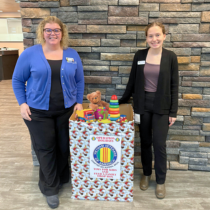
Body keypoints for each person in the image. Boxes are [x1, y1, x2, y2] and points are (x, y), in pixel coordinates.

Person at [12, 16, 84, 208]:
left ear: (62, 33)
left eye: (56, 30)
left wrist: (78, 102)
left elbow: (79, 80)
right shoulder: (30, 54)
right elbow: (18, 80)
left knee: (62, 147)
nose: (52, 33)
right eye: (48, 30)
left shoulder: (72, 54)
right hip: (37, 112)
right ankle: (50, 188)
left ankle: (60, 178)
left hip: (66, 110)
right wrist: (22, 103)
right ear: (42, 32)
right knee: (45, 149)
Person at [119, 22, 178, 199]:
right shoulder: (139, 55)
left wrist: (173, 112)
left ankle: (160, 181)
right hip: (142, 106)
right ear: (146, 38)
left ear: (164, 36)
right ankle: (146, 174)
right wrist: (118, 102)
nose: (154, 39)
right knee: (145, 142)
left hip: (162, 107)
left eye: (157, 35)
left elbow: (174, 86)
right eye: (151, 36)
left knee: (159, 145)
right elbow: (132, 82)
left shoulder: (170, 57)